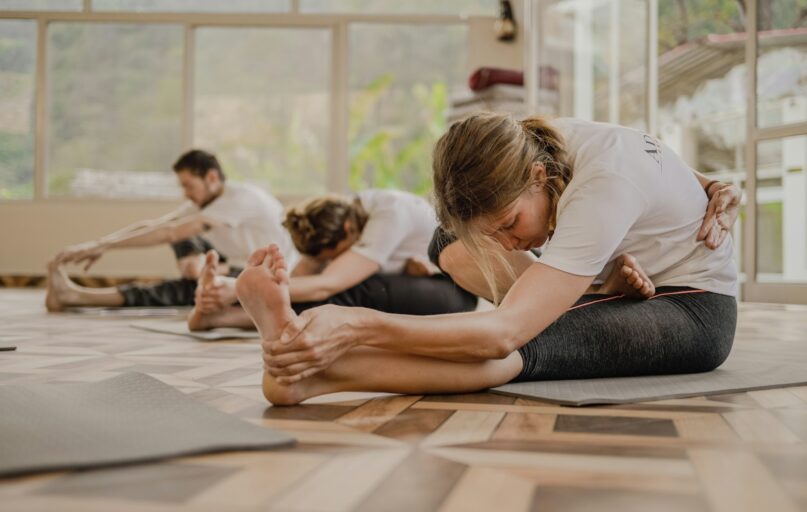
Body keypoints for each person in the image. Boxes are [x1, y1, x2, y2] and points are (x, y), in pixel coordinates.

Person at [234, 113, 742, 406]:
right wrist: (710, 183)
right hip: (621, 283)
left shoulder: (600, 184)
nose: (507, 242)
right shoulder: (541, 144)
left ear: (538, 179)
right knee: (445, 243)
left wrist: (358, 325)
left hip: (693, 311)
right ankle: (582, 303)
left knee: (520, 342)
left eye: (510, 223)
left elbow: (503, 332)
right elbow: (661, 168)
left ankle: (319, 375)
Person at [186, 189, 477, 331]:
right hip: (411, 284)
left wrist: (235, 286)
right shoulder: (342, 217)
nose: (330, 261)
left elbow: (326, 285)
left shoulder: (389, 215)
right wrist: (237, 294)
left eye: (331, 256)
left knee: (357, 290)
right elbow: (301, 280)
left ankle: (225, 317)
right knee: (346, 288)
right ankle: (222, 316)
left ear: (348, 233)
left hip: (454, 293)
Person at [45, 149, 296, 311]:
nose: (185, 193)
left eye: (189, 185)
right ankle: (197, 271)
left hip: (268, 273)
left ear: (211, 178)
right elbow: (156, 227)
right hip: (233, 263)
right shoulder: (203, 203)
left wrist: (100, 246)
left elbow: (171, 233)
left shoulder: (242, 198)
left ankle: (78, 296)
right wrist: (101, 244)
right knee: (177, 229)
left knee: (185, 255)